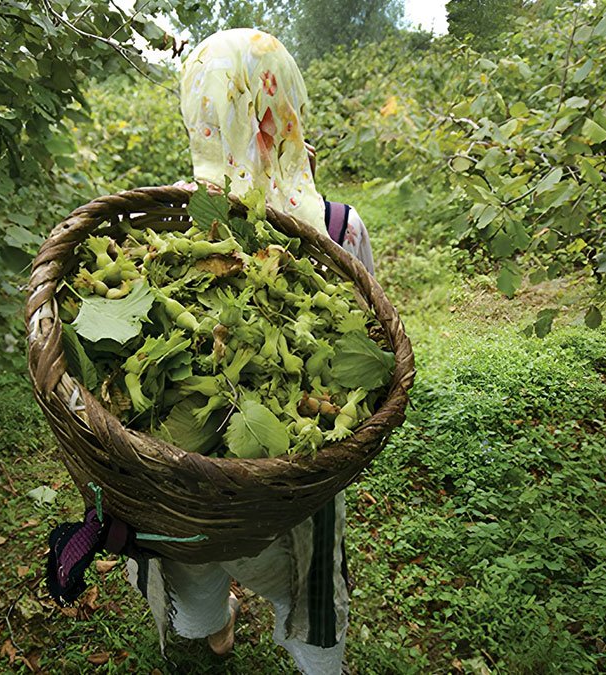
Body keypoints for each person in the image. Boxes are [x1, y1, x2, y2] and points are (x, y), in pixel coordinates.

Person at [124, 28, 375, 675]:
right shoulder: (340, 226)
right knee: (285, 601)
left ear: (199, 114)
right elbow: (367, 355)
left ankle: (219, 624)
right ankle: (221, 625)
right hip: (283, 483)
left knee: (214, 589)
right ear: (289, 105)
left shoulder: (172, 216)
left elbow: (362, 353)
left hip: (194, 482)